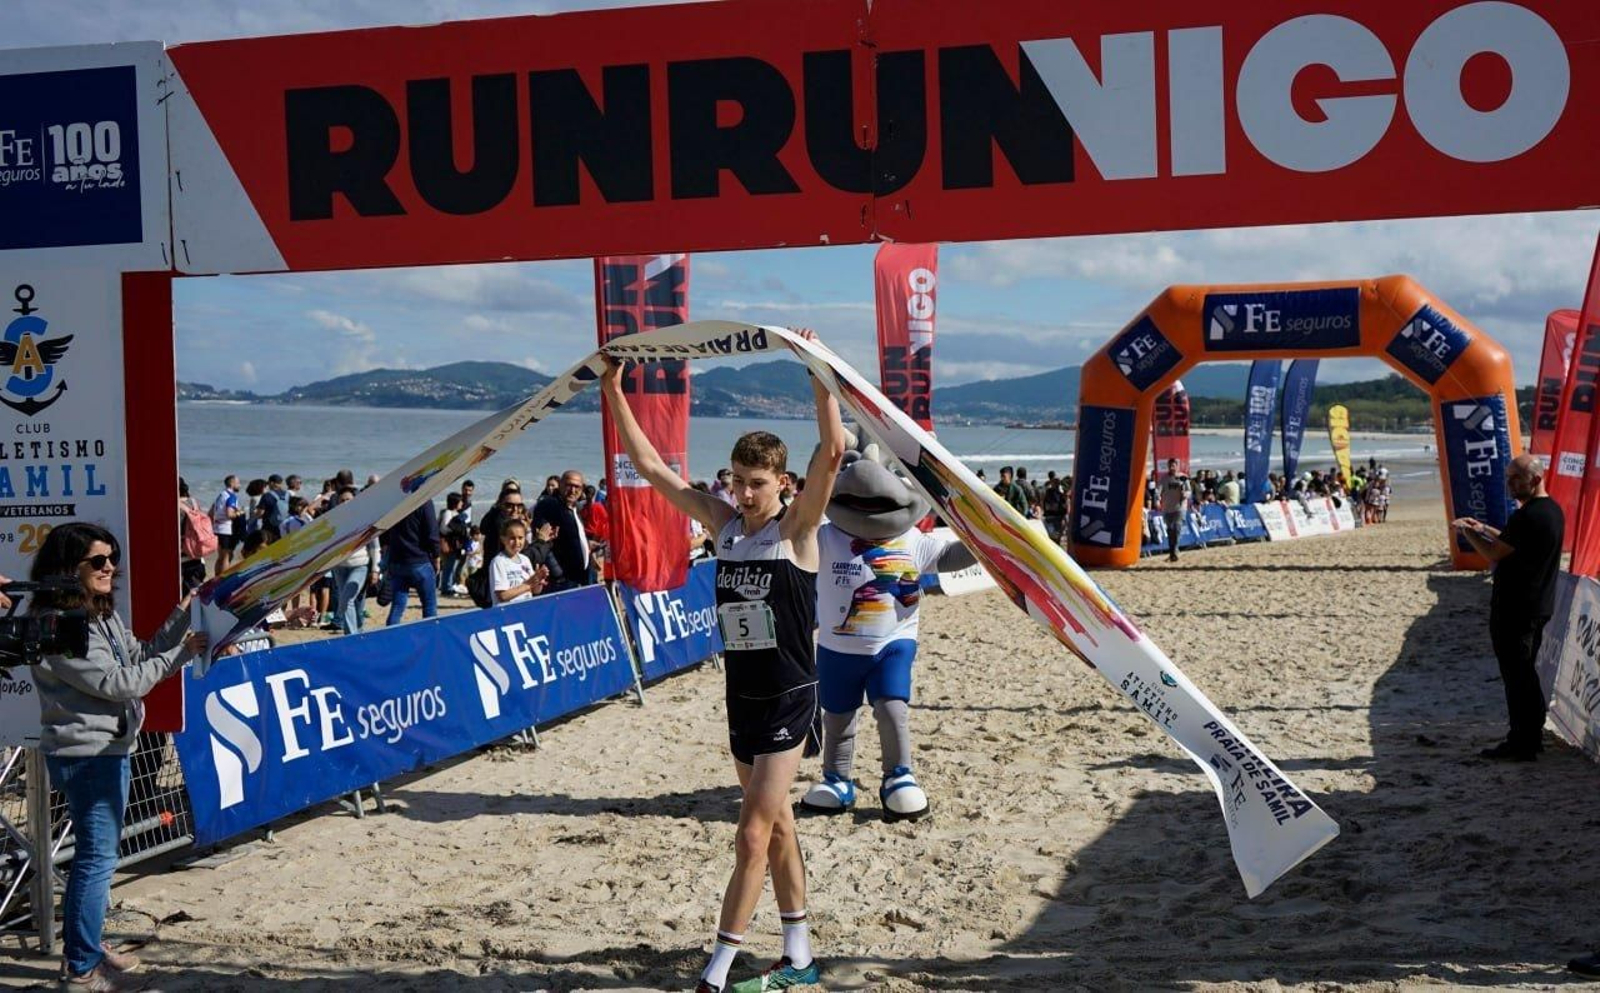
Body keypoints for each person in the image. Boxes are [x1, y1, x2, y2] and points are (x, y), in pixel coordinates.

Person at [600, 330, 844, 993]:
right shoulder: (723, 524)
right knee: (781, 826)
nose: (742, 495)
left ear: (783, 483)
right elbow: (651, 468)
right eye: (736, 482)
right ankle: (799, 956)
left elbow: (836, 448)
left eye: (756, 484)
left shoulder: (796, 530)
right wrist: (613, 390)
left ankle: (716, 971)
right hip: (742, 698)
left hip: (791, 695)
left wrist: (818, 374)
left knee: (752, 833)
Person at [28, 522, 206, 990]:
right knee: (96, 859)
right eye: (99, 561)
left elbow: (139, 655)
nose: (111, 568)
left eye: (112, 559)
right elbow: (118, 684)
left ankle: (88, 945)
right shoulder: (58, 627)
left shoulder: (98, 614)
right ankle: (81, 966)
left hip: (109, 748)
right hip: (87, 754)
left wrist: (182, 616)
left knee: (98, 856)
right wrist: (183, 655)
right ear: (69, 568)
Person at [1452, 454, 1564, 762]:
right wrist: (1484, 527)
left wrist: (1468, 532)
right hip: (1536, 605)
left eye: (1517, 478)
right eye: (1509, 478)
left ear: (1536, 479)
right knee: (1524, 672)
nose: (1510, 484)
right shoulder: (1550, 511)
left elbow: (1494, 553)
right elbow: (1513, 543)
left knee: (1518, 675)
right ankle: (1530, 735)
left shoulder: (1529, 516)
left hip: (1518, 607)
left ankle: (1523, 740)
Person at [380, 499, 439, 626]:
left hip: (397, 560)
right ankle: (430, 638)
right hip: (419, 559)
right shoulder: (424, 500)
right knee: (429, 605)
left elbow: (383, 526)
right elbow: (432, 531)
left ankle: (391, 637)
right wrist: (437, 556)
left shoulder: (394, 500)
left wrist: (385, 546)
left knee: (397, 606)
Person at [532, 470, 593, 587]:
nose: (573, 491)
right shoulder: (549, 505)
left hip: (581, 576)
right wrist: (558, 574)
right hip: (563, 580)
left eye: (577, 487)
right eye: (569, 485)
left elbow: (573, 537)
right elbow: (543, 541)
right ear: (560, 485)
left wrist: (587, 545)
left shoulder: (575, 508)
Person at [330, 487, 378, 635]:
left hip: (360, 565)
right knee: (354, 601)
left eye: (348, 500)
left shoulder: (365, 519)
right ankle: (359, 630)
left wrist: (375, 569)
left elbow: (374, 547)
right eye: (342, 500)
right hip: (339, 567)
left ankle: (351, 635)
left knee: (346, 600)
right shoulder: (334, 520)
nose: (345, 503)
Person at [490, 519, 550, 605]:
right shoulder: (499, 562)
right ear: (503, 539)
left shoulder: (525, 560)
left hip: (526, 610)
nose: (517, 542)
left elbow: (536, 591)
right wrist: (528, 585)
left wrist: (539, 580)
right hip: (507, 614)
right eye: (512, 538)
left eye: (520, 538)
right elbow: (503, 596)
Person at [209, 475, 244, 573]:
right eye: (238, 483)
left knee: (220, 556)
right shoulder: (231, 496)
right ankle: (224, 579)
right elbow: (230, 514)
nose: (240, 485)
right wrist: (239, 513)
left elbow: (210, 513)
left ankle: (217, 577)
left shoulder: (220, 495)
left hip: (217, 528)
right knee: (226, 556)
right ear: (232, 483)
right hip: (226, 529)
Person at [1159, 459, 1190, 563]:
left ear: (1177, 466)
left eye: (1174, 466)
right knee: (1170, 530)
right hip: (1167, 508)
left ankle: (1174, 552)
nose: (1172, 468)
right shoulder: (1164, 479)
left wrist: (1186, 494)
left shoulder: (1183, 477)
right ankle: (1172, 551)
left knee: (1176, 528)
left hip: (1180, 508)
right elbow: (1158, 491)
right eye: (1170, 466)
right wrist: (1157, 498)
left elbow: (1189, 491)